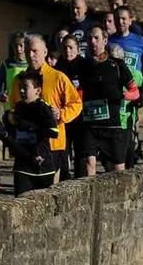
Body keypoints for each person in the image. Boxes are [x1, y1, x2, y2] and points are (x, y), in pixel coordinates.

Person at [8, 34, 82, 184]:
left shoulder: (58, 77)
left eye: (35, 51)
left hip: (53, 144)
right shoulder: (19, 80)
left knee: (49, 191)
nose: (30, 55)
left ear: (45, 52)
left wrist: (62, 113)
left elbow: (76, 103)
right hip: (27, 144)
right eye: (28, 51)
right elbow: (13, 106)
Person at [77, 27, 138, 176]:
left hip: (112, 124)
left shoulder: (117, 65)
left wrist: (122, 95)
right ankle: (91, 198)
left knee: (117, 169)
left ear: (105, 41)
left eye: (96, 38)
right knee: (89, 163)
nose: (92, 42)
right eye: (90, 38)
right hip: (90, 124)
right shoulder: (83, 66)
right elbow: (80, 91)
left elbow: (135, 92)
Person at [108, 6, 143, 166]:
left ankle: (131, 158)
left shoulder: (140, 42)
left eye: (124, 18)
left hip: (133, 91)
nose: (120, 22)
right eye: (117, 18)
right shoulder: (110, 41)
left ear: (130, 21)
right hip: (115, 93)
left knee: (130, 127)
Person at [6, 71, 58, 196]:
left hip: (42, 165)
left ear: (37, 90)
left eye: (25, 87)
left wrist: (30, 127)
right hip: (22, 165)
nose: (22, 91)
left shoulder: (43, 107)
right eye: (20, 88)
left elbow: (54, 132)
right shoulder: (18, 107)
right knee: (20, 204)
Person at [54, 35, 86, 180]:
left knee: (80, 153)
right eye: (65, 47)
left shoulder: (84, 65)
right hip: (62, 117)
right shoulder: (57, 68)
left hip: (80, 115)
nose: (68, 50)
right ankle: (64, 180)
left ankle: (80, 180)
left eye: (71, 47)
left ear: (77, 49)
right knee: (63, 152)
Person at [0, 32, 29, 112]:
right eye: (15, 46)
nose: (18, 49)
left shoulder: (31, 63)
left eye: (21, 45)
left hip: (28, 106)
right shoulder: (7, 64)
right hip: (11, 107)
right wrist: (0, 94)